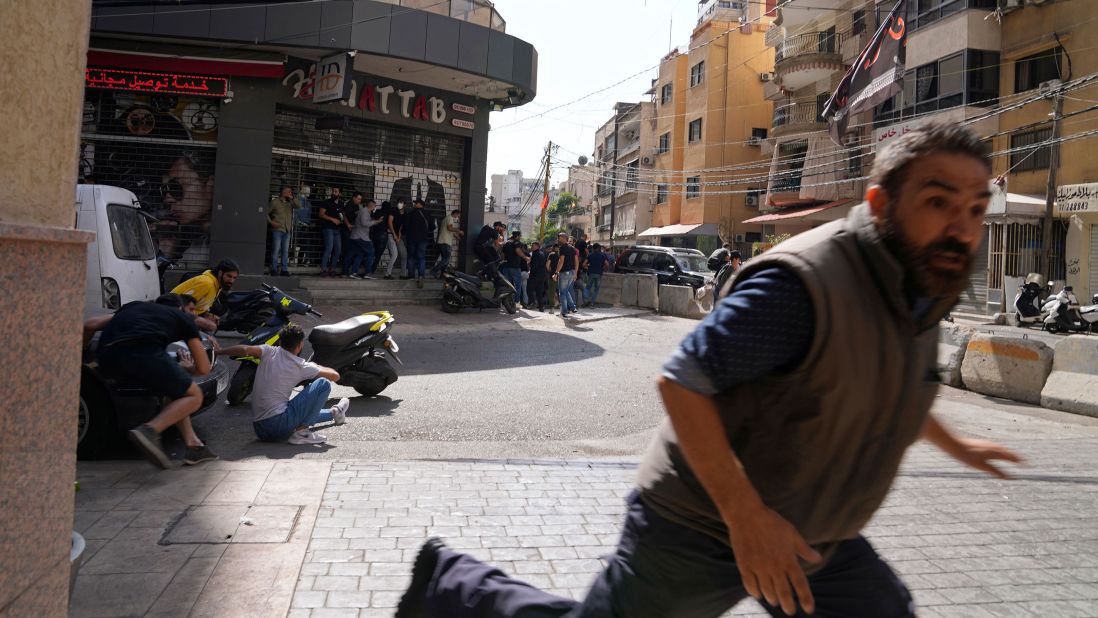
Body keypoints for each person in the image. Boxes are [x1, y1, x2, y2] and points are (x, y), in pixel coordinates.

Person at [393, 122, 1024, 618]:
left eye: (973, 208)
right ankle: (456, 587)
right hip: (700, 523)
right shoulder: (805, 285)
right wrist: (747, 518)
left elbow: (889, 387)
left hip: (813, 534)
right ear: (881, 204)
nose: (960, 228)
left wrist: (955, 442)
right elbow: (682, 380)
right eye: (938, 202)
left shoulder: (921, 284)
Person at [83, 293, 218, 468]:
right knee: (194, 395)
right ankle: (149, 430)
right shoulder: (182, 319)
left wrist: (79, 353)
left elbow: (90, 324)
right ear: (181, 309)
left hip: (107, 360)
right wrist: (187, 368)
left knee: (176, 391)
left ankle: (194, 446)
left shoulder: (134, 307)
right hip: (144, 353)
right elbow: (204, 368)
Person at [219, 323, 350, 445]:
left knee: (297, 409)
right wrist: (315, 366)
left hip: (260, 429)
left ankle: (335, 412)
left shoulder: (267, 351)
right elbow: (335, 376)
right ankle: (302, 433)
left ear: (280, 342)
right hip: (278, 425)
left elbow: (245, 349)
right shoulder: (300, 365)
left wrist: (219, 351)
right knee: (323, 384)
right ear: (300, 345)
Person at [171, 259, 240, 329]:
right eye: (229, 276)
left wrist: (207, 316)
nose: (231, 281)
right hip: (172, 318)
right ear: (220, 273)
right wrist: (200, 321)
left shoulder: (218, 286)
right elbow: (181, 305)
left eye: (234, 278)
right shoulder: (206, 283)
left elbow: (198, 306)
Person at [343, 194, 378, 279]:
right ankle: (368, 273)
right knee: (371, 253)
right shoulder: (364, 211)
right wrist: (375, 222)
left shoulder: (363, 211)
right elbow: (364, 223)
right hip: (361, 237)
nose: (375, 208)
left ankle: (353, 272)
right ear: (372, 206)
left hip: (355, 236)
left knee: (360, 254)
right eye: (374, 206)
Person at [403, 198, 435, 288]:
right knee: (421, 257)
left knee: (411, 257)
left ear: (420, 204)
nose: (414, 204)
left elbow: (405, 226)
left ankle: (411, 276)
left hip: (411, 239)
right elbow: (432, 227)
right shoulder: (428, 214)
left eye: (415, 203)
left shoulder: (410, 214)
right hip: (423, 239)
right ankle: (421, 276)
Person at [267, 185, 299, 276]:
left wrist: (292, 198)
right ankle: (273, 269)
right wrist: (271, 222)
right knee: (276, 250)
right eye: (287, 191)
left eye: (290, 191)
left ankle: (284, 270)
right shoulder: (275, 202)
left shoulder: (290, 203)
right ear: (282, 191)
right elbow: (266, 212)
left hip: (287, 230)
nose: (289, 193)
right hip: (277, 229)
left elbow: (299, 206)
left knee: (285, 251)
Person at [318, 187, 345, 277]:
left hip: (337, 229)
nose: (333, 193)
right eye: (333, 191)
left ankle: (332, 269)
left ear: (340, 194)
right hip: (328, 228)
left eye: (336, 192)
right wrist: (332, 219)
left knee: (338, 249)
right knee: (329, 248)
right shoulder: (326, 202)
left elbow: (342, 216)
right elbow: (321, 214)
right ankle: (323, 269)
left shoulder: (341, 204)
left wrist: (343, 221)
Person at [553, 232, 579, 318]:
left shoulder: (562, 248)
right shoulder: (572, 248)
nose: (558, 239)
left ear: (564, 238)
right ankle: (573, 308)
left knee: (562, 293)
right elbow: (576, 261)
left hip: (564, 272)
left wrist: (556, 272)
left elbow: (561, 261)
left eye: (559, 237)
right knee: (566, 291)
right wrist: (575, 272)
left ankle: (564, 312)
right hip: (571, 272)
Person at [432, 209, 462, 278]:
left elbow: (450, 231)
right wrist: (459, 231)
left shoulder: (446, 218)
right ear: (455, 214)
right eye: (458, 215)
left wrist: (457, 237)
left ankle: (442, 275)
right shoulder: (450, 218)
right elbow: (450, 228)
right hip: (445, 242)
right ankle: (434, 270)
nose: (458, 217)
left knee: (445, 260)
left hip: (442, 242)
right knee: (446, 259)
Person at [500, 231, 527, 304]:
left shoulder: (506, 243)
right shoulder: (517, 243)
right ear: (518, 236)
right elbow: (518, 251)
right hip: (515, 267)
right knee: (517, 285)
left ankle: (506, 302)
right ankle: (516, 302)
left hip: (506, 266)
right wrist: (525, 258)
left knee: (507, 285)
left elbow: (502, 254)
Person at [384, 200, 408, 280]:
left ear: (405, 204)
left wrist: (398, 236)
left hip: (397, 236)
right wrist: (394, 235)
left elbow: (401, 226)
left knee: (404, 254)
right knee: (395, 254)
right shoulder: (393, 210)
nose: (399, 204)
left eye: (401, 203)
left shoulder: (405, 214)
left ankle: (403, 275)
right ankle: (387, 274)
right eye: (398, 202)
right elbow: (389, 223)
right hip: (390, 234)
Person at [340, 188, 361, 275]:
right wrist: (348, 224)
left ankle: (347, 269)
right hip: (346, 230)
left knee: (350, 251)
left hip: (353, 231)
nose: (360, 201)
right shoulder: (348, 204)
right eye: (359, 199)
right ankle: (345, 271)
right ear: (354, 198)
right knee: (347, 251)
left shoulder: (356, 206)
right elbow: (343, 215)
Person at [369, 200, 393, 275]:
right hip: (383, 235)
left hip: (374, 235)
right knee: (378, 255)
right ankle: (371, 271)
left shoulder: (377, 212)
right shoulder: (388, 214)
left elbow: (371, 221)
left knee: (371, 253)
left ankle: (368, 269)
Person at [583, 243, 611, 307]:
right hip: (599, 273)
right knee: (596, 289)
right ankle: (592, 303)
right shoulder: (603, 255)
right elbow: (607, 264)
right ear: (599, 248)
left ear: (593, 248)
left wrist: (588, 268)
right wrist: (603, 269)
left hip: (591, 273)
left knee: (587, 287)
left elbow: (584, 264)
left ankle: (586, 300)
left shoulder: (590, 255)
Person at [526, 241, 548, 312]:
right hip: (542, 276)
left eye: (533, 246)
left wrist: (530, 272)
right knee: (539, 292)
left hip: (535, 275)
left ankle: (532, 302)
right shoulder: (542, 253)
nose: (531, 247)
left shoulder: (535, 254)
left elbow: (534, 265)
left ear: (537, 246)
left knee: (529, 289)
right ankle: (541, 307)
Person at [545, 242, 560, 313]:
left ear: (553, 248)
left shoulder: (551, 254)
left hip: (553, 275)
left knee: (552, 291)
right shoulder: (562, 255)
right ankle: (563, 307)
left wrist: (550, 270)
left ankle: (552, 308)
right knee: (562, 291)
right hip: (562, 275)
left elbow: (547, 265)